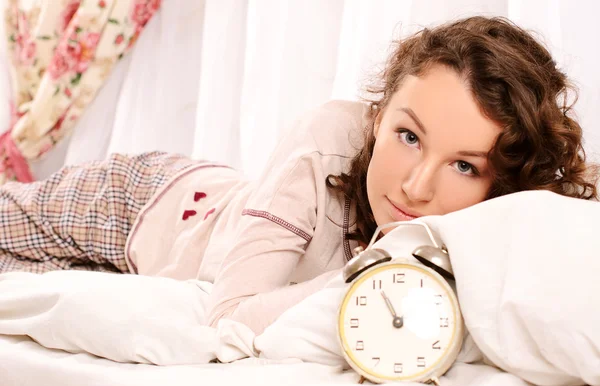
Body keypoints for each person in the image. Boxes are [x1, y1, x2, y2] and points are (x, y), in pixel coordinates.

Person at [0, 16, 596, 336]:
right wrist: (375, 266)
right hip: (144, 206)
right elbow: (229, 315)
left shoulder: (503, 215)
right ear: (378, 113)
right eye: (407, 136)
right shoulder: (330, 138)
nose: (417, 187)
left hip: (166, 241)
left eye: (465, 166)